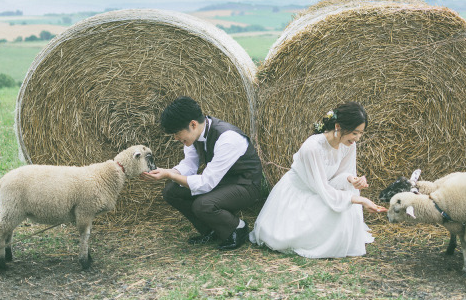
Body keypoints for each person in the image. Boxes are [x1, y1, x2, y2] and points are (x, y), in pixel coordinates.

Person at [249, 101, 387, 258]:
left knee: (349, 193)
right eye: (354, 133)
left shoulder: (349, 145)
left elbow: (339, 175)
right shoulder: (312, 148)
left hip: (322, 189)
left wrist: (351, 179)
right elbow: (323, 189)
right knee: (346, 204)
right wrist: (361, 200)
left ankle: (338, 236)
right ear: (338, 126)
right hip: (301, 194)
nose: (357, 138)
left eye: (361, 133)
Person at [142, 96, 262, 250]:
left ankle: (238, 228)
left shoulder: (227, 138)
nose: (176, 138)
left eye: (177, 133)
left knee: (203, 204)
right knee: (171, 191)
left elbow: (206, 183)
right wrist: (168, 171)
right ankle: (211, 229)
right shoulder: (195, 135)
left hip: (245, 185)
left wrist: (170, 175)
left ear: (193, 124)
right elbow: (189, 164)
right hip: (220, 182)